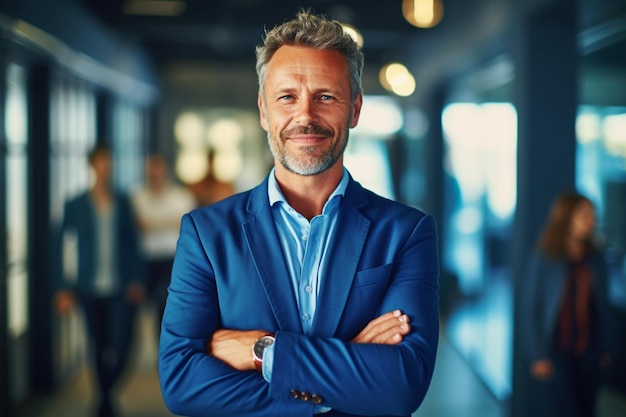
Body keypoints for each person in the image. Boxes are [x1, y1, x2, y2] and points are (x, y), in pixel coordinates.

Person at [158, 10, 439, 417]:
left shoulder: (407, 232)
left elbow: (401, 386)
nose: (305, 116)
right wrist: (348, 370)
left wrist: (264, 352)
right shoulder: (206, 233)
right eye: (287, 97)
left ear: (355, 109)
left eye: (326, 97)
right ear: (263, 111)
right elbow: (181, 383)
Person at [53, 145, 146, 417]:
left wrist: (137, 279)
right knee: (98, 344)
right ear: (92, 166)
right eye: (100, 164)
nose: (104, 169)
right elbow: (62, 246)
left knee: (121, 345)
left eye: (108, 164)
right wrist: (62, 287)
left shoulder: (123, 201)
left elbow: (133, 244)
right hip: (87, 287)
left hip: (120, 287)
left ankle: (105, 394)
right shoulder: (76, 204)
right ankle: (105, 401)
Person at [521, 191, 613, 417]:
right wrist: (537, 354)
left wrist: (605, 347)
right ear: (567, 217)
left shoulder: (596, 258)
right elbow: (530, 307)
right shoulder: (546, 256)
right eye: (583, 214)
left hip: (590, 352)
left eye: (592, 215)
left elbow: (602, 307)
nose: (590, 220)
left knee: (588, 410)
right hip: (557, 352)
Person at [132, 154, 196, 338]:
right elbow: (140, 226)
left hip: (173, 259)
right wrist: (168, 222)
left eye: (159, 173)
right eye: (152, 174)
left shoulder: (181, 197)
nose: (156, 178)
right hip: (146, 260)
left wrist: (153, 224)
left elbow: (182, 225)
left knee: (169, 306)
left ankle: (169, 347)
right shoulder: (138, 197)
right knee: (147, 309)